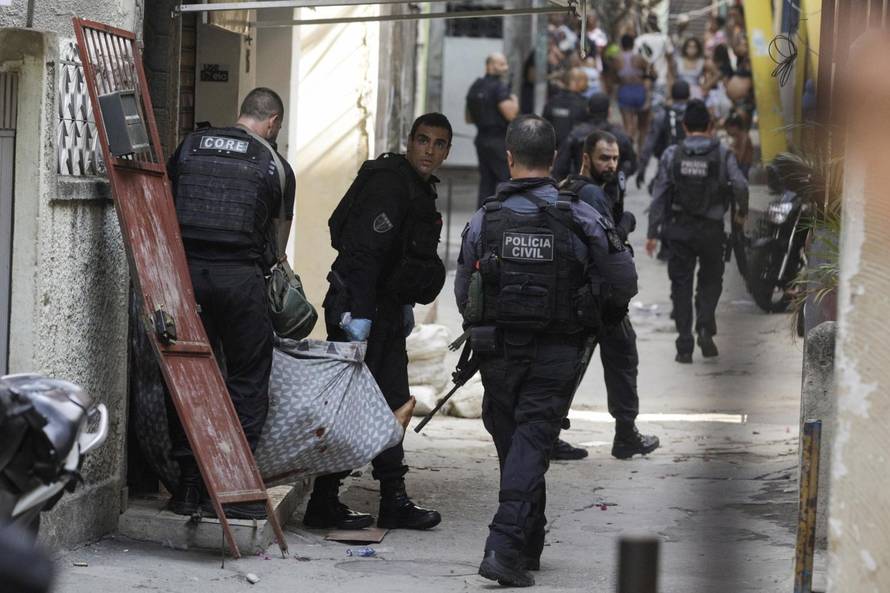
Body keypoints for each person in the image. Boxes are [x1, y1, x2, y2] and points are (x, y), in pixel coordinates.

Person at [455, 115, 638, 586]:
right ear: (555, 160)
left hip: (496, 352)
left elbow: (462, 290)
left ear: (509, 158)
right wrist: (598, 317)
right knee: (531, 443)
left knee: (517, 444)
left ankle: (525, 543)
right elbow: (624, 279)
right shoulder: (579, 214)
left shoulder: (485, 218)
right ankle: (503, 547)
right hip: (557, 350)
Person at [302, 113, 453, 531]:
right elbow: (364, 255)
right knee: (363, 406)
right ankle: (332, 500)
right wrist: (360, 322)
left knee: (391, 404)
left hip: (382, 310)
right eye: (423, 140)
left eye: (439, 144)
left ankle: (383, 498)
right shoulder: (391, 182)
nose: (430, 150)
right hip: (361, 309)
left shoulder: (417, 187)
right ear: (410, 141)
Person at [166, 87, 295, 520]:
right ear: (273, 121)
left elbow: (164, 205)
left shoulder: (189, 146)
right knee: (247, 379)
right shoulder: (274, 164)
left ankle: (186, 485)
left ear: (243, 113)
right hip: (241, 279)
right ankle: (231, 488)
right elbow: (278, 243)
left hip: (186, 279)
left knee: (187, 374)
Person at [559, 130, 660, 460]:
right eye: (604, 158)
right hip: (598, 296)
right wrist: (626, 224)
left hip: (586, 294)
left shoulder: (580, 187)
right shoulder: (590, 194)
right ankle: (625, 434)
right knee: (621, 359)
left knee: (577, 365)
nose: (611, 164)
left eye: (615, 158)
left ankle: (550, 434)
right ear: (586, 158)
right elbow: (607, 244)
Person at [645, 100, 749, 363]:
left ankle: (684, 345)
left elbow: (659, 194)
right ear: (711, 126)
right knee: (711, 281)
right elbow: (740, 184)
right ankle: (704, 326)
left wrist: (652, 232)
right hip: (712, 231)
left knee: (681, 285)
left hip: (679, 229)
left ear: (684, 126)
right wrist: (740, 214)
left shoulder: (672, 153)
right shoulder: (723, 152)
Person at [466, 53, 520, 206]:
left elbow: (468, 118)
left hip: (481, 140)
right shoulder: (499, 87)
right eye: (502, 64)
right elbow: (510, 115)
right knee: (506, 181)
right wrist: (514, 101)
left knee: (486, 182)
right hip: (497, 140)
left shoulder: (475, 86)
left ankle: (482, 218)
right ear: (490, 65)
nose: (506, 67)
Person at [552, 92, 637, 183]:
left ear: (588, 110)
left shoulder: (575, 134)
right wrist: (616, 178)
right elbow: (632, 163)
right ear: (609, 112)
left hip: (582, 188)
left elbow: (560, 167)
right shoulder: (620, 136)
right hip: (609, 191)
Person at [636, 80, 691, 189]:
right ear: (689, 95)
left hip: (666, 164)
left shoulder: (662, 115)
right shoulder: (695, 113)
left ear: (671, 94)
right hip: (691, 164)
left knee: (656, 191)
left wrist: (642, 170)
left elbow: (649, 144)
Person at [612, 33, 650, 150]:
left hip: (624, 91)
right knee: (642, 127)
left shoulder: (616, 59)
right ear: (633, 44)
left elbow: (614, 79)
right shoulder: (640, 58)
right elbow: (651, 73)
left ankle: (628, 154)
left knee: (628, 126)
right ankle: (640, 154)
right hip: (639, 91)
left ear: (621, 45)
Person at [542, 68, 590, 147]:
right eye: (584, 80)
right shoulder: (584, 104)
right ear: (574, 82)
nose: (587, 84)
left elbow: (544, 126)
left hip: (554, 150)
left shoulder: (552, 101)